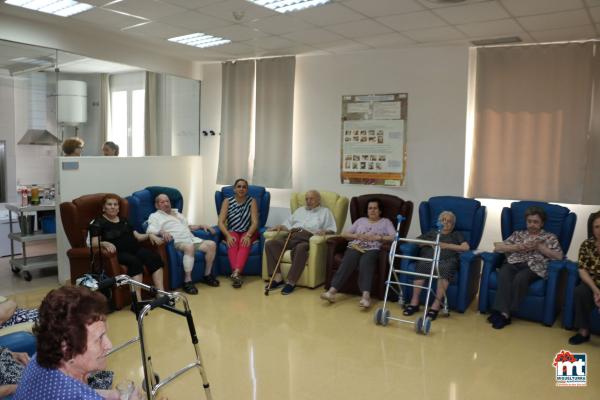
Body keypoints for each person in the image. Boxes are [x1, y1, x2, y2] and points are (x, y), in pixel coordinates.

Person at [13, 286, 136, 399]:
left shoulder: (40, 359)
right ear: (67, 350)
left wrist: (111, 395)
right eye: (99, 338)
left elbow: (78, 390)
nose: (108, 345)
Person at [488, 206, 563, 329]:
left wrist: (540, 248)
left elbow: (559, 256)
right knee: (504, 274)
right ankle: (504, 313)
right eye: (529, 221)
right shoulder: (518, 234)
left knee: (520, 279)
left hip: (534, 267)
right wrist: (519, 246)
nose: (532, 225)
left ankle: (505, 313)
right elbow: (498, 247)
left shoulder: (550, 237)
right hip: (514, 263)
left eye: (536, 222)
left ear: (542, 223)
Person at [320, 198, 396, 309]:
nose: (372, 210)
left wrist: (378, 237)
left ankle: (366, 297)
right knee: (348, 260)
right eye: (370, 208)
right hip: (356, 246)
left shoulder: (386, 222)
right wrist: (357, 236)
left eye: (375, 208)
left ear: (380, 211)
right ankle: (331, 292)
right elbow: (344, 234)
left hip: (373, 248)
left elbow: (394, 237)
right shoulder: (361, 220)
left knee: (366, 263)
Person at [90, 194, 166, 302]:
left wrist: (149, 235)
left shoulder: (124, 220)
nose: (113, 207)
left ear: (118, 208)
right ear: (103, 208)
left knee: (154, 257)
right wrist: (104, 243)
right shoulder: (98, 222)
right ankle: (137, 302)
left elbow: (138, 237)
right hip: (119, 253)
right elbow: (93, 243)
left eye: (115, 204)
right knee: (135, 262)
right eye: (109, 204)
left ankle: (161, 295)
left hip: (135, 249)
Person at [265, 190, 337, 295]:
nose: (308, 201)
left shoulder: (325, 212)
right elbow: (287, 225)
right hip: (291, 236)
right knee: (270, 244)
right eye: (306, 199)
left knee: (300, 248)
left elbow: (332, 229)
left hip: (307, 238)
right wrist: (279, 227)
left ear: (318, 200)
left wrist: (325, 231)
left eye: (311, 199)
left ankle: (291, 282)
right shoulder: (299, 210)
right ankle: (277, 277)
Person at [402, 211, 469, 320]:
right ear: (438, 221)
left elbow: (465, 247)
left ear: (453, 224)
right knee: (422, 265)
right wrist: (430, 243)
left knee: (444, 269)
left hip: (447, 260)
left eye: (449, 221)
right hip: (429, 259)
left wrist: (446, 245)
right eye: (443, 220)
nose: (446, 223)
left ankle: (436, 306)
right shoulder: (432, 233)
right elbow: (415, 241)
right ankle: (414, 302)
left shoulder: (457, 234)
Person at [147, 194, 218, 295]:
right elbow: (150, 230)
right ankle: (187, 281)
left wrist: (201, 225)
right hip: (177, 242)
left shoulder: (177, 213)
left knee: (212, 245)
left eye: (167, 201)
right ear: (157, 205)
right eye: (162, 202)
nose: (166, 204)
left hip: (191, 239)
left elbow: (187, 227)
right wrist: (161, 232)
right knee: (189, 247)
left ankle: (207, 275)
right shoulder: (155, 216)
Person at [217, 179, 259, 288]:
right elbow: (220, 222)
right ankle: (236, 274)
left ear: (247, 189)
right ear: (234, 189)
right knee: (233, 242)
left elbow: (255, 222)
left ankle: (235, 273)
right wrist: (227, 235)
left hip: (247, 231)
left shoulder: (252, 201)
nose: (241, 189)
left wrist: (249, 235)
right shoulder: (227, 201)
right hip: (232, 231)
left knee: (244, 242)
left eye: (244, 187)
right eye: (239, 186)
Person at [568, 211, 600, 345]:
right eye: (597, 227)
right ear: (592, 229)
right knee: (580, 291)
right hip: (592, 283)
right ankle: (584, 331)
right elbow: (582, 269)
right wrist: (596, 291)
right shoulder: (587, 245)